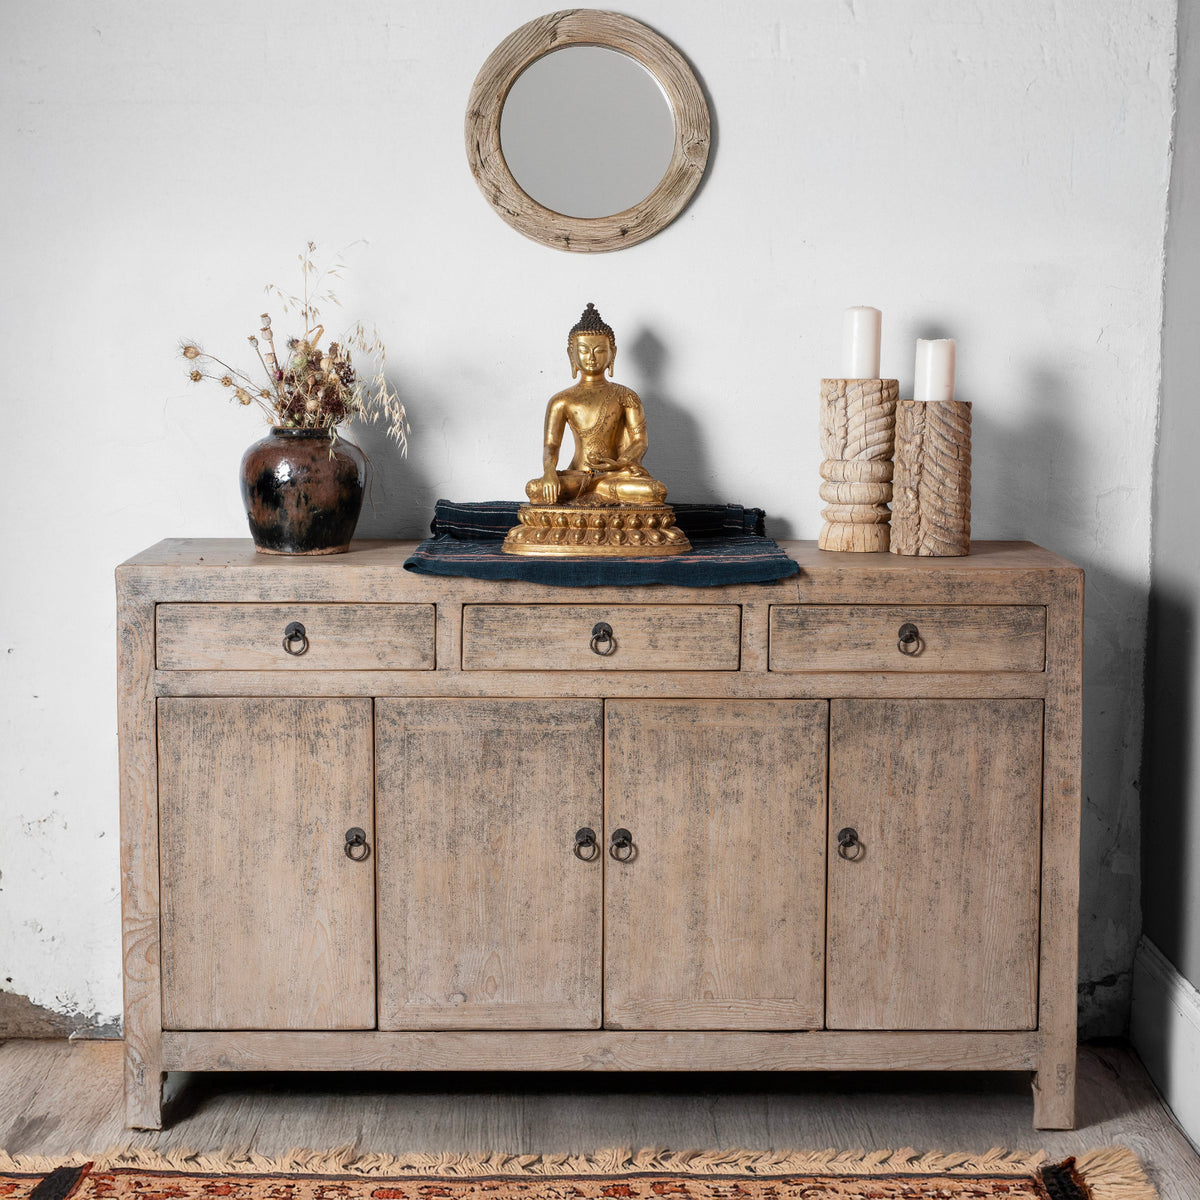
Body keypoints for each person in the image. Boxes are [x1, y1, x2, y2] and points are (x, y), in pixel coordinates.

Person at [525, 303, 669, 507]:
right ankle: (597, 488)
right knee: (535, 489)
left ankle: (599, 487)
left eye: (599, 350)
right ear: (571, 354)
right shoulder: (561, 400)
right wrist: (549, 473)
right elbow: (551, 445)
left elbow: (640, 442)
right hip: (578, 477)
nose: (591, 358)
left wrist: (621, 463)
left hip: (615, 477)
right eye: (583, 350)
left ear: (613, 353)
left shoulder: (626, 396)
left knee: (656, 491)